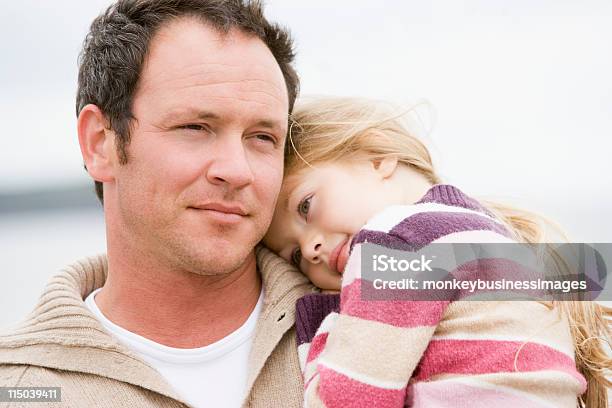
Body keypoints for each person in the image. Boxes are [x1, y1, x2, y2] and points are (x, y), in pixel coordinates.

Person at [0, 1, 315, 407]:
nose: (237, 170)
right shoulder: (20, 391)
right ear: (100, 143)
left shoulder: (364, 311)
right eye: (195, 127)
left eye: (262, 137)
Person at [263, 97, 612, 407]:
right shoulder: (487, 236)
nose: (310, 249)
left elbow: (351, 398)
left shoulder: (397, 240)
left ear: (377, 156)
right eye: (293, 255)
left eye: (305, 206)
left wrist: (323, 327)